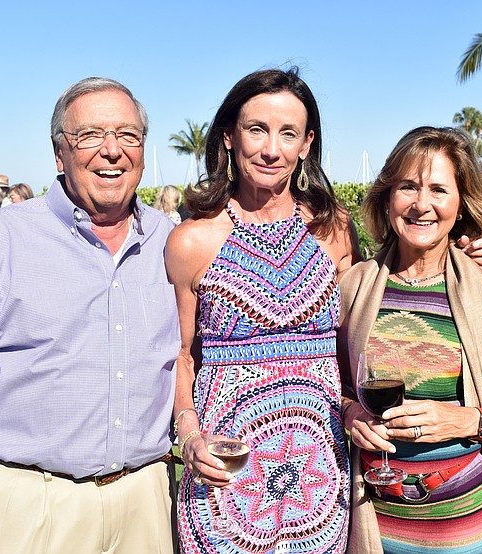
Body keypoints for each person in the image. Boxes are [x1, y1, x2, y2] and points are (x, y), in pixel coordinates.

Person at [0, 77, 180, 553]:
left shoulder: (171, 243)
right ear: (59, 153)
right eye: (90, 135)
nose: (112, 150)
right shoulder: (0, 241)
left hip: (148, 502)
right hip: (29, 507)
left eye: (129, 135)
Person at [167, 67, 360, 554]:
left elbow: (349, 345)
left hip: (322, 471)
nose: (271, 149)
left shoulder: (334, 229)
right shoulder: (193, 241)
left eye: (288, 133)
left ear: (306, 144)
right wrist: (188, 434)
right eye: (257, 129)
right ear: (229, 135)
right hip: (224, 475)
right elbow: (179, 354)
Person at [339, 126, 482, 553]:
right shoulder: (354, 286)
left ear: (460, 205)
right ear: (388, 198)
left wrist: (466, 421)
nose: (422, 204)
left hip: (469, 531)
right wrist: (351, 413)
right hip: (376, 526)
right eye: (408, 187)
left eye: (439, 190)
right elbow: (338, 386)